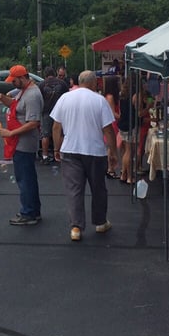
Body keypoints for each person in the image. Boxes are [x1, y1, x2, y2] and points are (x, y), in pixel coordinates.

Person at [51, 70, 118, 241]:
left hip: (70, 150)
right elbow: (108, 129)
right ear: (94, 83)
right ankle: (100, 222)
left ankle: (76, 227)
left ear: (79, 81)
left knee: (74, 190)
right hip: (94, 151)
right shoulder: (99, 100)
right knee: (98, 188)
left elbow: (56, 127)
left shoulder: (65, 98)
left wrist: (57, 148)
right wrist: (113, 151)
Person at [0, 65, 43, 226]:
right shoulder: (24, 91)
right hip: (20, 143)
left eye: (14, 80)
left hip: (25, 143)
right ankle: (33, 210)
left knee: (25, 179)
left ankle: (28, 213)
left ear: (23, 78)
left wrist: (11, 133)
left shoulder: (32, 95)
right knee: (27, 178)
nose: (12, 83)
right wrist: (2, 97)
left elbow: (33, 122)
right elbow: (15, 104)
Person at [38, 67, 69, 164]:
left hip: (46, 111)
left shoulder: (42, 84)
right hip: (60, 112)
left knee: (45, 135)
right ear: (54, 73)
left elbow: (39, 99)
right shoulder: (62, 83)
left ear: (45, 75)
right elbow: (67, 97)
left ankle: (45, 156)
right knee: (60, 133)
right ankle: (60, 154)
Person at [101, 74, 122, 178]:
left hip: (112, 122)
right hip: (112, 123)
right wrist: (122, 117)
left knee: (110, 145)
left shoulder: (109, 96)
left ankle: (110, 168)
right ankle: (110, 169)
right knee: (111, 145)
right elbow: (112, 113)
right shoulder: (110, 97)